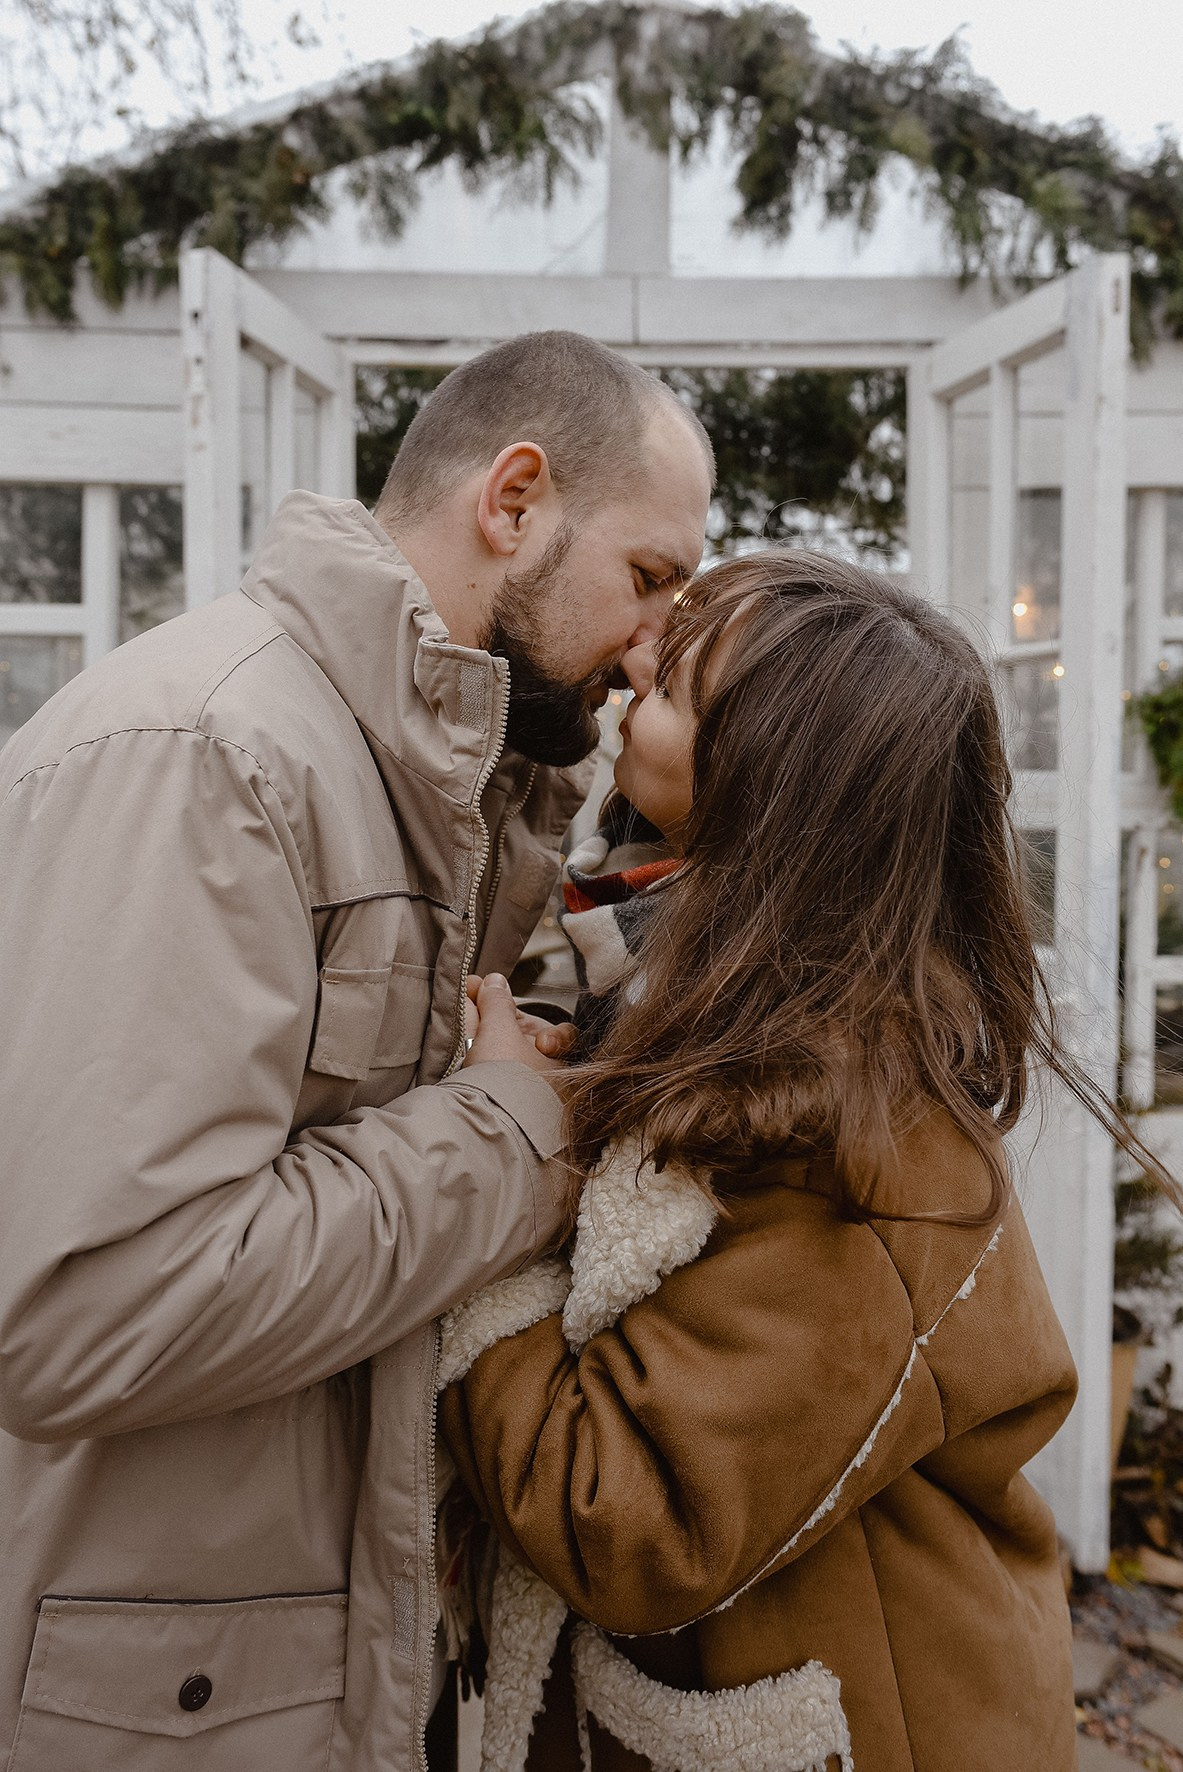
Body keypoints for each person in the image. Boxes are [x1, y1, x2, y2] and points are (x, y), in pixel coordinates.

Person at [0, 330, 714, 1772]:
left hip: (301, 1657)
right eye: (648, 578)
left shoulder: (432, 773)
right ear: (512, 500)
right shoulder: (207, 753)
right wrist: (515, 1131)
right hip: (158, 1704)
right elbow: (84, 1309)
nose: (653, 644)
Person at [439, 550, 1172, 1772]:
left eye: (677, 677)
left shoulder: (857, 1138)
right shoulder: (721, 1000)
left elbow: (622, 1517)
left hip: (874, 1727)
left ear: (766, 789)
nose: (636, 652)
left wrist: (487, 1185)